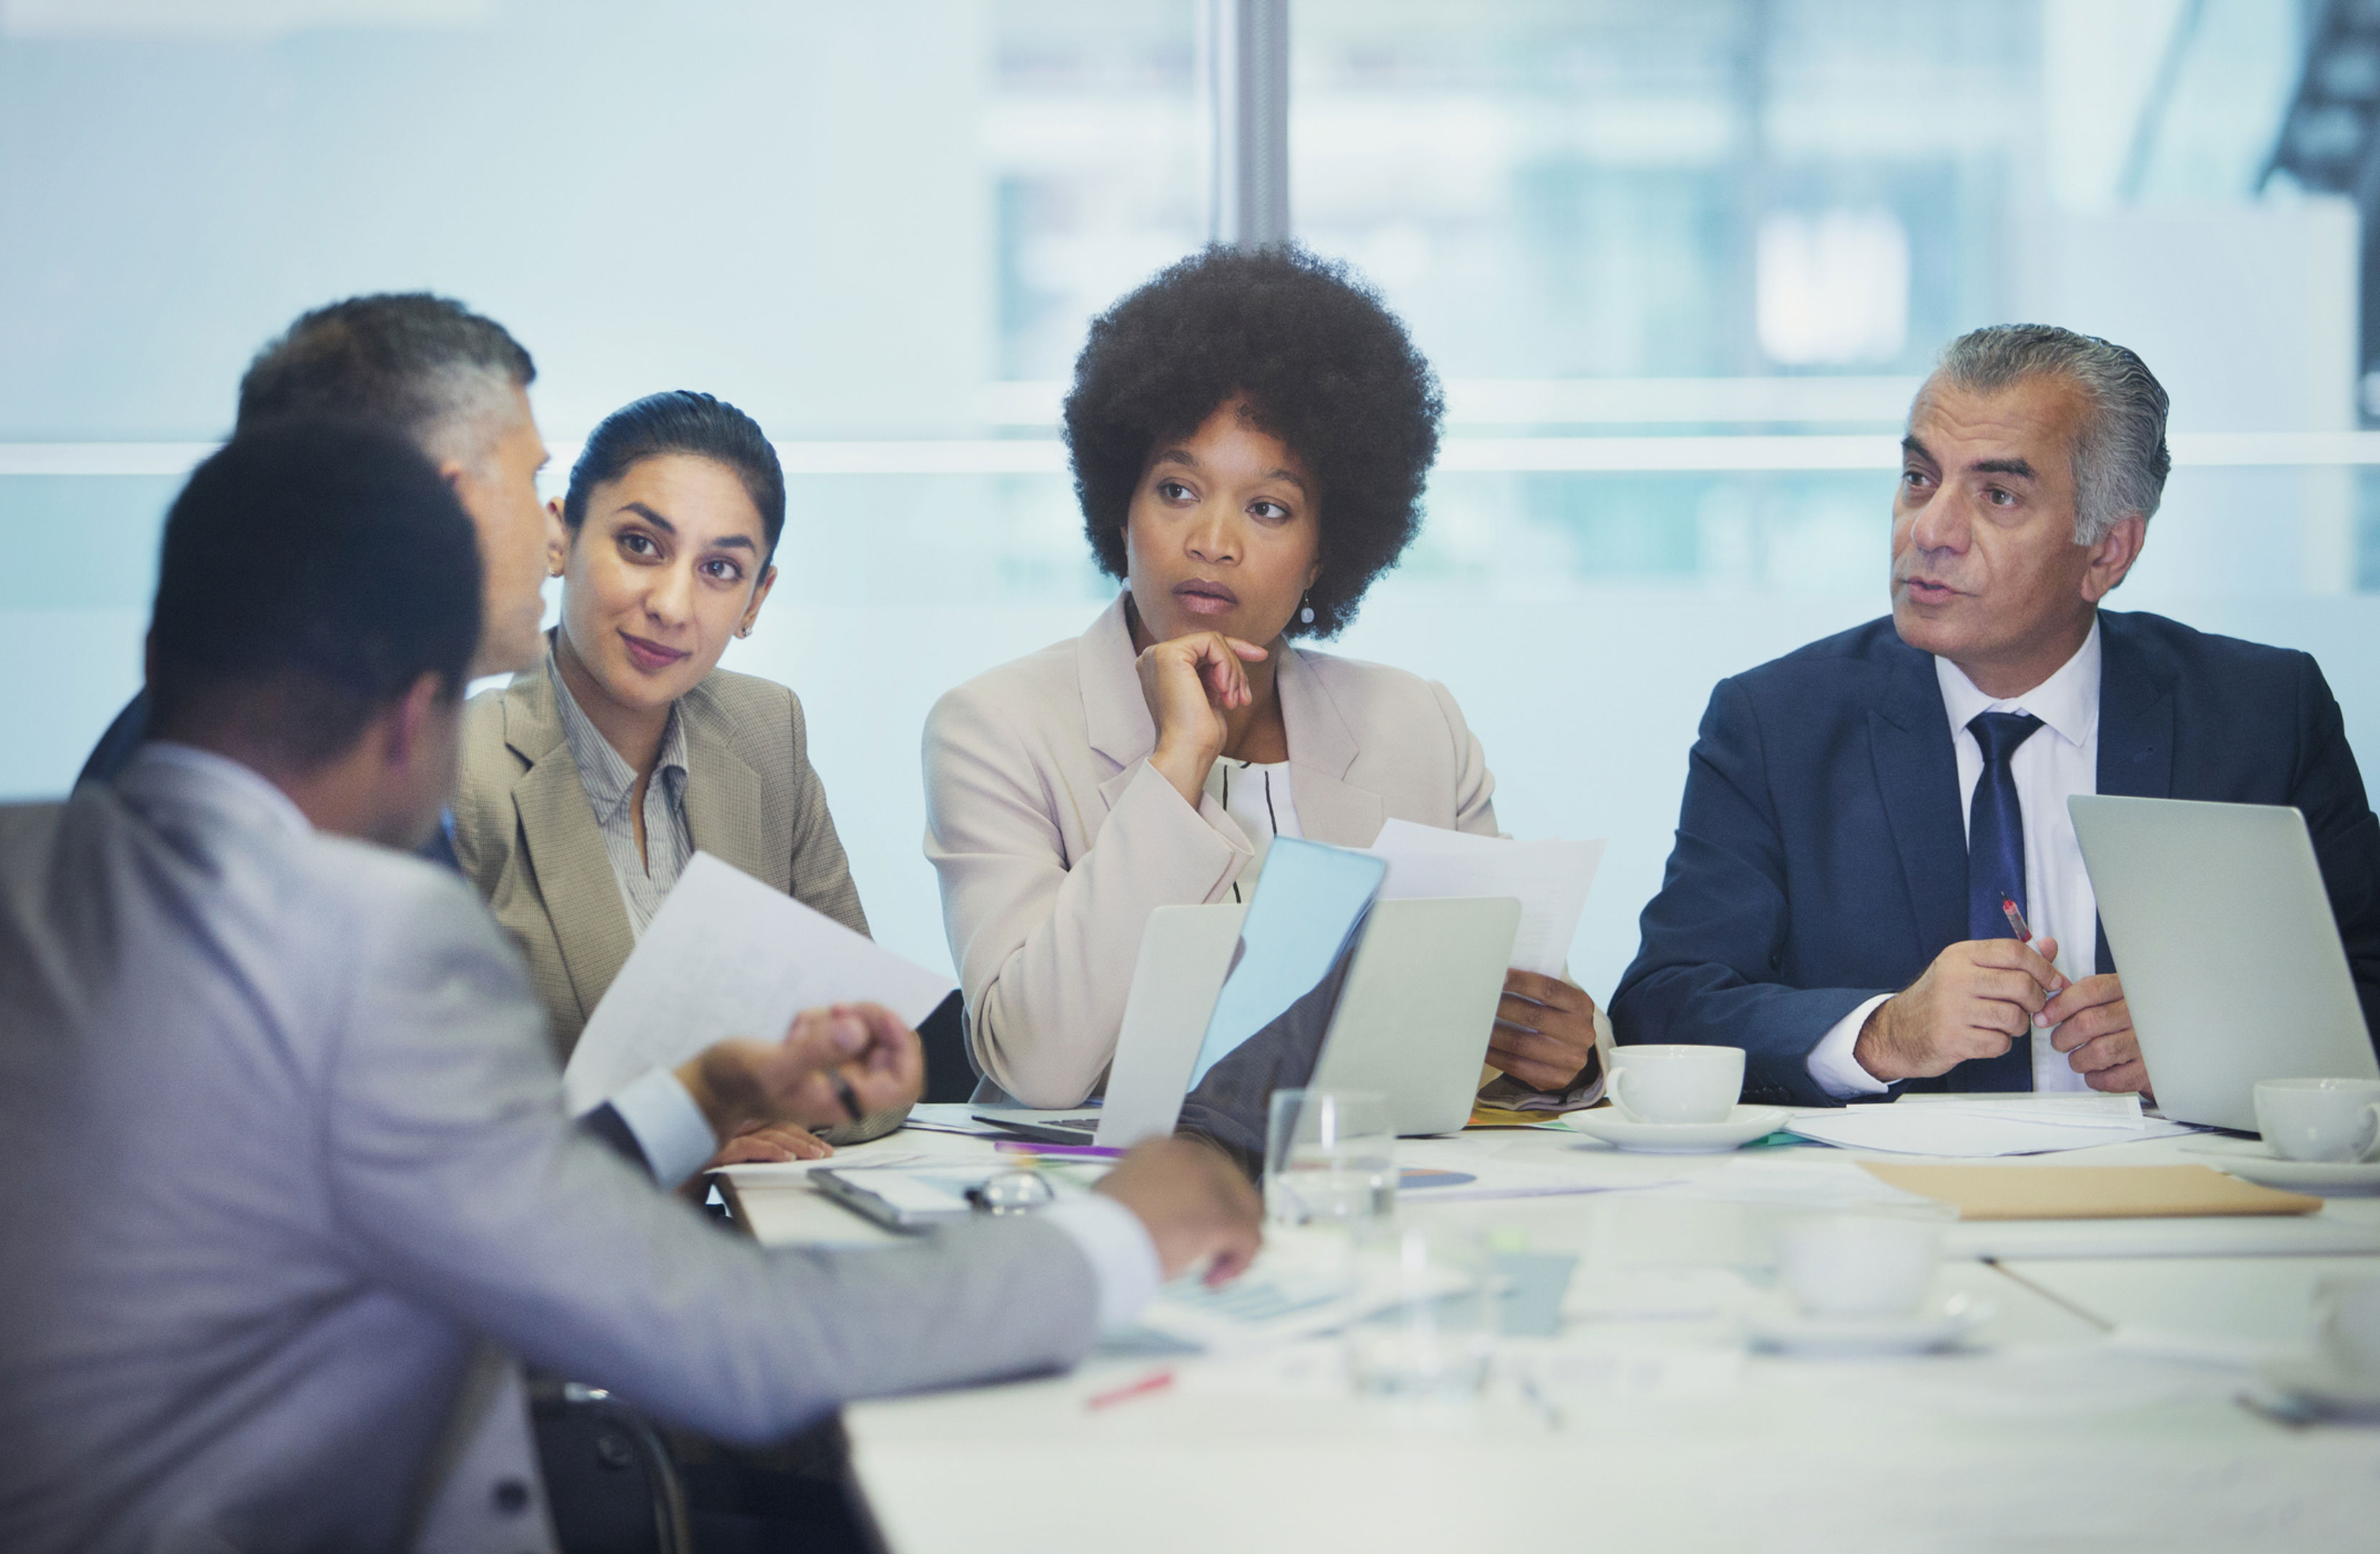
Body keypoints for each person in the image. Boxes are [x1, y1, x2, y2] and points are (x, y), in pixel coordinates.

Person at [0, 421, 1262, 1554]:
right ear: (415, 725)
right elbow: (738, 1345)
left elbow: (444, 1179)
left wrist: (704, 1093)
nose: (670, 602)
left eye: (722, 567)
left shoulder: (23, 864)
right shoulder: (375, 934)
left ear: (159, 654)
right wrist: (1115, 1234)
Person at [1610, 324, 2380, 1108]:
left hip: (2176, 1205)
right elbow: (1664, 1007)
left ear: (2107, 552)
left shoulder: (2260, 714)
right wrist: (1882, 1033)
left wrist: (2217, 1048)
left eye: (1998, 495)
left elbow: (2366, 982)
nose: (1931, 532)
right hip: (1885, 1208)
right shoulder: (1777, 724)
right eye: (1918, 478)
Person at [924, 244, 1608, 1111]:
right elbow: (1039, 1064)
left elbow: (1509, 1006)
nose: (1213, 540)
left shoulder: (1418, 726)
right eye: (1176, 489)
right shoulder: (996, 728)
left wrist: (1568, 1055)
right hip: (1127, 1210)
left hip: (1369, 1202)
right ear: (1119, 505)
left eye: (1268, 508)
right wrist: (1177, 763)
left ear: (1327, 550)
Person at [453, 389, 896, 1156]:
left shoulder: (767, 734)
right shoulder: (462, 769)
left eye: (720, 568)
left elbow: (873, 1061)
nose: (672, 603)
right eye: (640, 546)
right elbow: (423, 1116)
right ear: (560, 539)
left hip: (753, 1233)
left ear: (757, 599)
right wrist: (676, 1136)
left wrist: (765, 1112)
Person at [74, 292, 552, 786]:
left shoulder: (207, 732)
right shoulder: (298, 794)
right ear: (443, 504)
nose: (556, 534)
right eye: (534, 480)